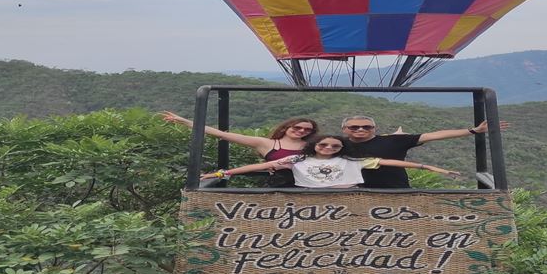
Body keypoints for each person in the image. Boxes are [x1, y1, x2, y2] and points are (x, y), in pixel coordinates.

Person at [201, 134, 459, 189]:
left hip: (346, 201)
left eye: (334, 145)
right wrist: (221, 174)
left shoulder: (351, 159)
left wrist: (429, 167)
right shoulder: (297, 159)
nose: (328, 148)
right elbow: (260, 167)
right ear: (315, 145)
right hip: (310, 201)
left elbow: (388, 162)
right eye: (324, 144)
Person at [339, 115, 508, 188]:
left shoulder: (393, 141)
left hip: (396, 190)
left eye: (366, 126)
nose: (360, 129)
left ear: (374, 128)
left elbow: (435, 135)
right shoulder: (335, 145)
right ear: (344, 129)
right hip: (353, 192)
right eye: (354, 127)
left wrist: (473, 130)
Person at [160, 111, 316, 187]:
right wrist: (184, 121)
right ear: (287, 127)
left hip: (309, 186)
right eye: (297, 127)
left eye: (307, 130)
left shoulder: (314, 146)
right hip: (279, 185)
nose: (301, 131)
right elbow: (222, 135)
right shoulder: (267, 144)